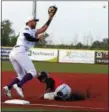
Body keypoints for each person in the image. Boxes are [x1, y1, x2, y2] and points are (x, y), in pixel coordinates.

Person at [3, 6, 57, 98]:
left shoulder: (33, 30)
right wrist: (37, 39)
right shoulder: (26, 28)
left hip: (14, 53)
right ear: (29, 22)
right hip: (19, 51)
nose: (35, 22)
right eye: (34, 21)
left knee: (21, 76)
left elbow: (43, 29)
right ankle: (19, 86)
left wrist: (50, 19)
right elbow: (27, 37)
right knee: (32, 72)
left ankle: (8, 87)